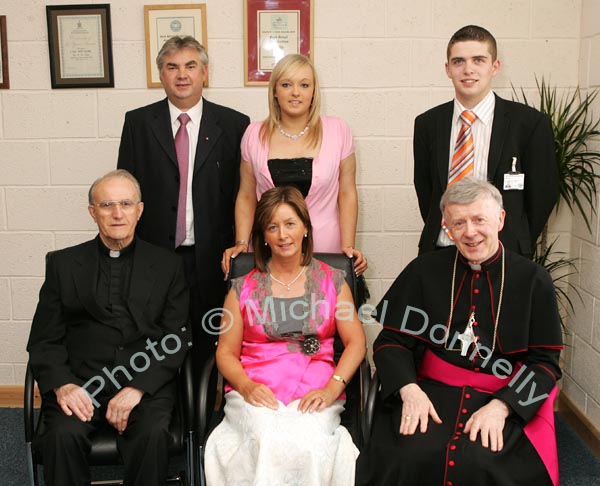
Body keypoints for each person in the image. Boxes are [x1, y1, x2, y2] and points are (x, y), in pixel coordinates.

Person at [356, 178, 563, 486]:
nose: (470, 232)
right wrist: (409, 390)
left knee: (484, 461)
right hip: (430, 392)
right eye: (458, 223)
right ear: (446, 227)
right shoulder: (423, 270)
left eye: (479, 219)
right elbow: (391, 342)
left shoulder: (534, 279)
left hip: (503, 396)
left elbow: (545, 364)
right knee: (410, 454)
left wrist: (503, 407)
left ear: (500, 220)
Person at [26, 170, 190, 486]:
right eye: (107, 205)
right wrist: (64, 386)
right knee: (62, 436)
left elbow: (177, 337)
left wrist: (137, 388)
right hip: (81, 383)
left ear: (139, 210)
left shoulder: (168, 265)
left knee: (152, 434)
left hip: (144, 385)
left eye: (126, 204)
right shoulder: (63, 264)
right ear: (92, 212)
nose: (117, 214)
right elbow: (44, 339)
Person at [205, 186, 366, 485]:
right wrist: (245, 385)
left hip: (316, 388)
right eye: (273, 227)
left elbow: (356, 343)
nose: (283, 235)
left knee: (308, 443)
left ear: (305, 227)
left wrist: (332, 389)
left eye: (290, 224)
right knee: (267, 438)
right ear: (263, 236)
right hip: (255, 389)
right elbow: (225, 353)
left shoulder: (333, 280)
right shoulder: (242, 287)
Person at [117, 36, 250, 369]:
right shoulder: (138, 123)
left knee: (209, 336)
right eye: (172, 67)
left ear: (205, 72)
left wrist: (240, 245)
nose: (182, 75)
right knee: (157, 338)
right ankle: (166, 410)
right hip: (154, 254)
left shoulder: (235, 125)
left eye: (190, 66)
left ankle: (204, 411)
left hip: (211, 257)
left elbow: (243, 193)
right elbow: (125, 190)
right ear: (160, 75)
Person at [413, 25, 558, 258]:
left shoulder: (529, 124)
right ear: (448, 69)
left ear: (495, 67)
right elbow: (426, 192)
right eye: (458, 61)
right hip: (441, 251)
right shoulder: (427, 124)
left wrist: (515, 239)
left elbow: (543, 194)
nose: (468, 70)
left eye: (478, 60)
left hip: (504, 252)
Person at [222, 53, 368, 280]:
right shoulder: (253, 134)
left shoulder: (338, 130)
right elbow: (247, 195)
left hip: (326, 248)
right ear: (275, 91)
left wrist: (347, 247)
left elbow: (347, 192)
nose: (296, 93)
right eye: (287, 84)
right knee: (271, 313)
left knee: (323, 313)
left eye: (304, 84)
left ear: (314, 91)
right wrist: (241, 242)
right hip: (269, 248)